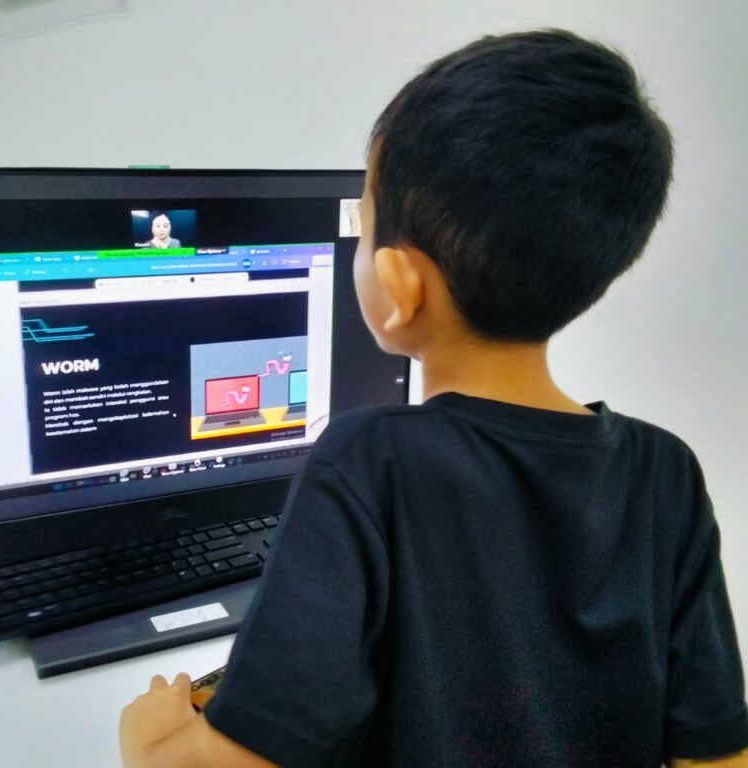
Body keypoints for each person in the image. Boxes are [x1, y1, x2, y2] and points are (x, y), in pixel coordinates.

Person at [119, 29, 748, 767]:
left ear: (399, 286)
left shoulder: (367, 460)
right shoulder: (667, 472)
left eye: (362, 226)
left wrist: (150, 738)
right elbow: (718, 755)